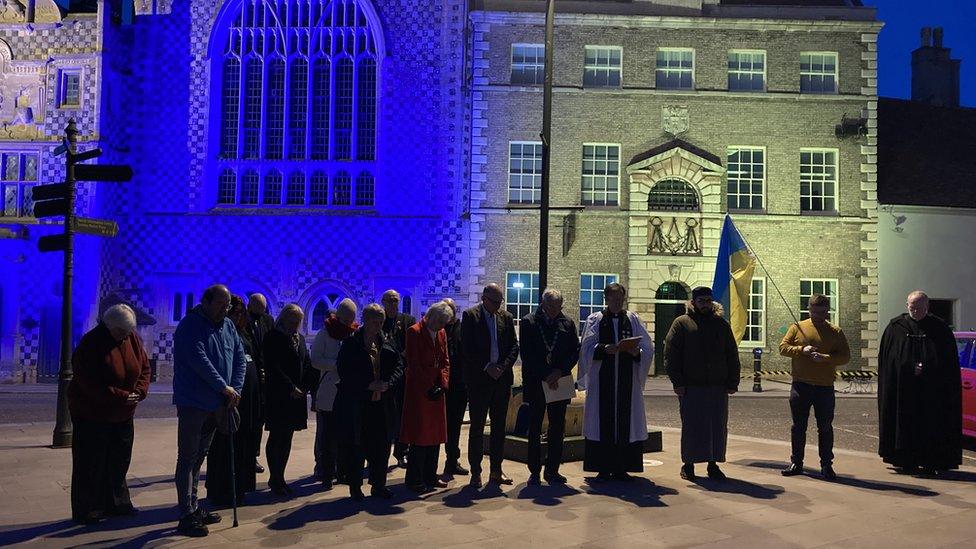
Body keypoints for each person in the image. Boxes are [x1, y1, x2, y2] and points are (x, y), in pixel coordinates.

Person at [173, 284, 247, 537]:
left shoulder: (227, 326)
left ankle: (194, 506)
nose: (225, 310)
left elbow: (239, 357)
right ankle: (186, 513)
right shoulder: (190, 325)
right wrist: (223, 386)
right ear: (206, 301)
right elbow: (198, 360)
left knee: (201, 455)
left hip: (219, 402)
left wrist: (234, 388)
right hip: (194, 402)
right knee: (187, 458)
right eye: (220, 305)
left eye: (227, 306)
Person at [67, 304, 151, 525]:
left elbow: (144, 367)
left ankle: (117, 502)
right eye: (121, 332)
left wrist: (140, 391)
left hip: (123, 412)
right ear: (109, 326)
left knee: (119, 459)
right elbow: (88, 383)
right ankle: (89, 508)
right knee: (91, 462)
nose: (125, 336)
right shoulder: (91, 343)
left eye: (128, 332)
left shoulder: (131, 338)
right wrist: (120, 395)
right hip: (93, 413)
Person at [878, 290, 962, 474]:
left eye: (918, 307)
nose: (914, 310)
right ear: (907, 305)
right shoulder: (896, 328)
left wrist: (928, 369)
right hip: (903, 390)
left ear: (927, 306)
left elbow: (947, 364)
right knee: (904, 425)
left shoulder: (940, 329)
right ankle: (904, 460)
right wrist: (908, 367)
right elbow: (889, 360)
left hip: (931, 391)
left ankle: (932, 461)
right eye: (911, 306)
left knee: (932, 425)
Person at [579, 283, 653, 482]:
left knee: (626, 421)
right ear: (606, 299)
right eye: (613, 299)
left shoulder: (632, 319)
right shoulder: (596, 320)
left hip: (627, 381)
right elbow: (585, 348)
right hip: (603, 380)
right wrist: (604, 349)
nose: (617, 302)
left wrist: (636, 352)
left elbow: (647, 347)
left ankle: (623, 467)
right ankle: (602, 467)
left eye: (620, 299)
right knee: (601, 421)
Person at [665, 286, 740, 481]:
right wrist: (677, 381)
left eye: (708, 301)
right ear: (693, 303)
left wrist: (733, 381)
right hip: (691, 385)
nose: (705, 304)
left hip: (717, 385)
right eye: (701, 301)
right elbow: (671, 355)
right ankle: (688, 464)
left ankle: (712, 464)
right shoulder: (681, 324)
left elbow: (731, 354)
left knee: (717, 426)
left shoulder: (721, 325)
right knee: (692, 425)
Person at [334, 303, 405, 500]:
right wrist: (367, 384)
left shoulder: (387, 341)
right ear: (365, 321)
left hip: (382, 404)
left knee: (382, 446)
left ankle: (379, 485)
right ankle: (355, 486)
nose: (379, 326)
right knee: (357, 447)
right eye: (375, 322)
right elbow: (344, 371)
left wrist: (387, 384)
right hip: (359, 404)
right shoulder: (351, 343)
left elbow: (399, 365)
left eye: (381, 322)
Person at [779, 294, 851, 480]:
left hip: (824, 387)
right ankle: (796, 462)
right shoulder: (797, 328)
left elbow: (845, 357)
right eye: (816, 312)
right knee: (798, 427)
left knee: (825, 427)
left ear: (828, 310)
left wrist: (825, 358)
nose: (820, 315)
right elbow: (783, 348)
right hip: (800, 385)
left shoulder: (835, 331)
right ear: (809, 310)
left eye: (824, 311)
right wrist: (801, 350)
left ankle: (826, 465)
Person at [206, 295, 264, 505]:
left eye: (241, 313)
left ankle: (240, 486)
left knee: (244, 444)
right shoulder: (221, 333)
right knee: (223, 445)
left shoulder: (243, 332)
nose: (238, 316)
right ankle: (221, 489)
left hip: (247, 399)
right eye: (234, 312)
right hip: (228, 399)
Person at [461, 283, 520, 487]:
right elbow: (466, 349)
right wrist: (487, 366)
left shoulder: (506, 317)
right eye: (494, 302)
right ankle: (476, 472)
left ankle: (496, 470)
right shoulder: (471, 316)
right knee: (477, 427)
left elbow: (514, 346)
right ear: (484, 298)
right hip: (479, 380)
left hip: (501, 380)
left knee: (499, 428)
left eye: (500, 301)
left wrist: (502, 367)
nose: (498, 305)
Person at [519, 289, 580, 486]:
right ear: (543, 304)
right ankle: (534, 471)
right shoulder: (529, 322)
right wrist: (546, 374)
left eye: (558, 307)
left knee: (557, 426)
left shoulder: (568, 323)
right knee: (535, 426)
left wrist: (559, 371)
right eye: (551, 306)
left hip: (560, 380)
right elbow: (527, 354)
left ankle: (553, 469)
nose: (555, 310)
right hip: (537, 381)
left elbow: (574, 351)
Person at [263, 304, 315, 496]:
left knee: (287, 437)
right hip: (280, 396)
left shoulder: (299, 338)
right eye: (292, 320)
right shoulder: (273, 337)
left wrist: (305, 387)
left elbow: (306, 362)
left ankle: (281, 477)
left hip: (297, 396)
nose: (295, 324)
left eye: (298, 321)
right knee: (277, 436)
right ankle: (274, 478)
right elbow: (272, 366)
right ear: (284, 318)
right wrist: (290, 387)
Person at [401, 302, 453, 493]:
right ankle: (414, 479)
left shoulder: (441, 333)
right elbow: (413, 364)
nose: (441, 326)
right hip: (420, 392)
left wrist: (443, 383)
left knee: (436, 436)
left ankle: (431, 476)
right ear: (430, 316)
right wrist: (429, 386)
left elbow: (446, 360)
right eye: (439, 322)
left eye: (444, 323)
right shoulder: (414, 332)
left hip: (437, 391)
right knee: (420, 437)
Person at [310, 298, 358, 489]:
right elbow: (315, 360)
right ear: (339, 316)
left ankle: (341, 470)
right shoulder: (324, 333)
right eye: (345, 320)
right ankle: (325, 471)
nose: (348, 324)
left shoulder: (352, 334)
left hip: (346, 393)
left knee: (343, 436)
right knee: (326, 436)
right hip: (328, 391)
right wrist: (337, 366)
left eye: (350, 321)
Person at [381, 289, 416, 468]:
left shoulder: (408, 320)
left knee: (403, 416)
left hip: (404, 376)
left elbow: (414, 343)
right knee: (386, 418)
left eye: (396, 300)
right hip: (386, 377)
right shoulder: (379, 321)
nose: (393, 304)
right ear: (383, 302)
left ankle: (402, 452)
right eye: (390, 301)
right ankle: (381, 455)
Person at [441, 298, 469, 476]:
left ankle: (452, 460)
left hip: (458, 385)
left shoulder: (463, 329)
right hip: (442, 385)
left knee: (455, 425)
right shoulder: (439, 328)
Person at [247, 293, 275, 473]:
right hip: (250, 376)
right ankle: (247, 456)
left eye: (262, 309)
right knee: (249, 418)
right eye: (257, 309)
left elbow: (270, 345)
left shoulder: (267, 321)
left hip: (264, 376)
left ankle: (253, 455)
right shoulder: (244, 321)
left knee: (259, 420)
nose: (260, 313)